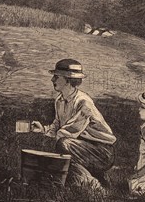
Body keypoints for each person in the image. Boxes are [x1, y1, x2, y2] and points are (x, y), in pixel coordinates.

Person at [31, 59, 116, 189]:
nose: (52, 80)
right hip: (82, 147)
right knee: (65, 147)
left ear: (68, 80)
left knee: (64, 144)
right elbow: (58, 125)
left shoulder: (83, 101)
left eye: (56, 77)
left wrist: (55, 138)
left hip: (102, 151)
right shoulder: (59, 101)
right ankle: (98, 180)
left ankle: (92, 186)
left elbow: (72, 129)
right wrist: (43, 130)